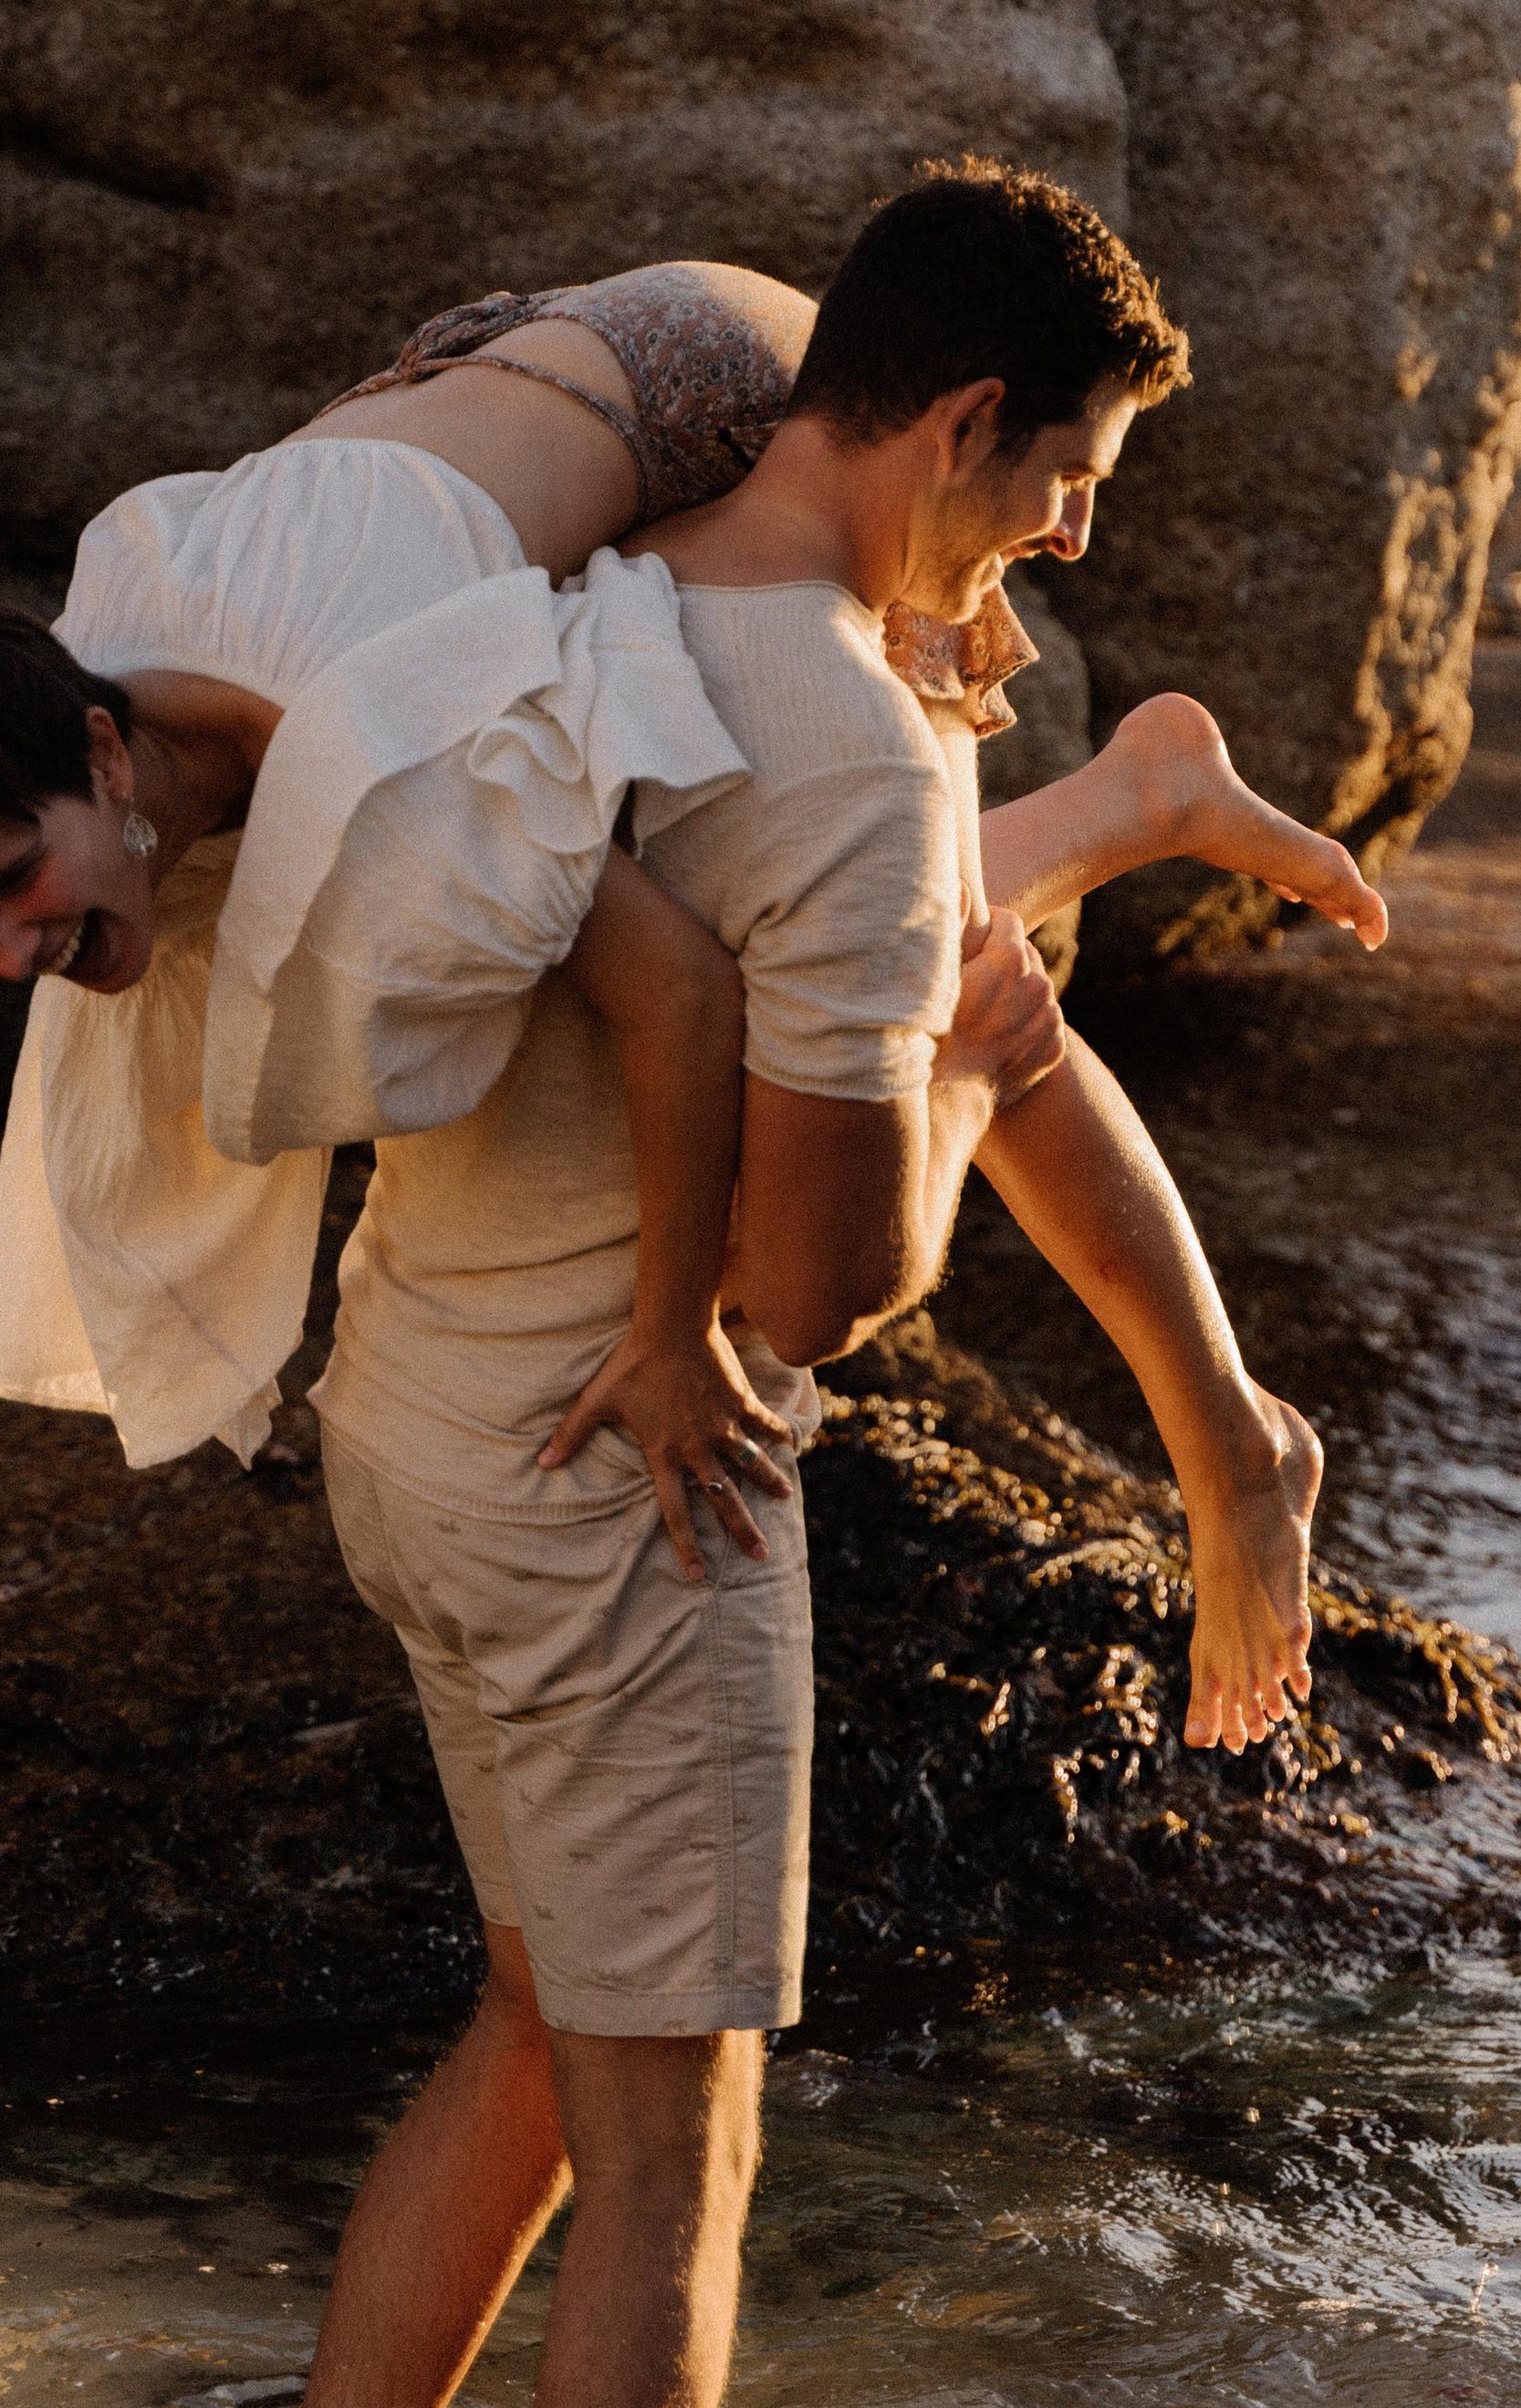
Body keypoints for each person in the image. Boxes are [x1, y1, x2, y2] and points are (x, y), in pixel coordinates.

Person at [285, 165, 1281, 2403]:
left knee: (540, 2036)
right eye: (1068, 482)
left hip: (419, 1422)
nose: (1070, 541)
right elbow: (824, 1291)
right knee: (678, 2162)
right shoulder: (848, 755)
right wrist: (965, 1043)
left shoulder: (592, 596)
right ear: (964, 423)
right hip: (625, 1502)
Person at [0, 182, 1383, 1739]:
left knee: (904, 949)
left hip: (698, 388)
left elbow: (676, 988)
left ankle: (1231, 1443)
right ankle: (1130, 802)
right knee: (825, 918)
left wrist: (667, 1337)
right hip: (518, 381)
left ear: (109, 763)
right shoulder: (89, 678)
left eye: (13, 878)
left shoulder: (368, 723)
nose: (13, 947)